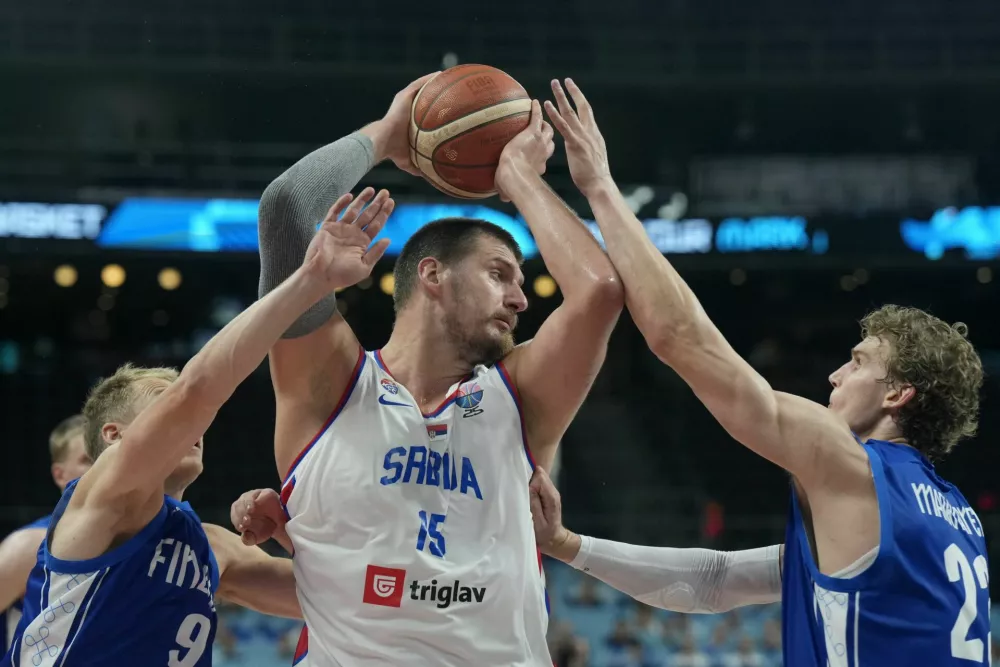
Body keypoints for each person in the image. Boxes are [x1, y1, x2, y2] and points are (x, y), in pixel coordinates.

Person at [542, 78, 988, 664]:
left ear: (898, 394)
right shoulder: (957, 515)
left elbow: (679, 339)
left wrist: (599, 186)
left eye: (857, 363)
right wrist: (569, 546)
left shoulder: (852, 467)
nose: (834, 376)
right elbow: (715, 582)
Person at [255, 73, 623, 665]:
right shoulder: (331, 383)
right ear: (432, 276)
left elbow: (600, 292)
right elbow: (287, 209)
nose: (521, 300)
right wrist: (387, 134)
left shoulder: (521, 395)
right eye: (500, 274)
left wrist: (518, 178)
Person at [4, 191, 390, 667]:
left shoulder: (207, 543)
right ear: (114, 436)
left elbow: (341, 601)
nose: (189, 422)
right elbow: (199, 389)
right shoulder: (99, 500)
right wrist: (309, 281)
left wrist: (293, 535)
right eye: (159, 406)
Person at [0, 415, 92, 651]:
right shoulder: (27, 547)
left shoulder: (143, 542)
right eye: (88, 459)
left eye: (107, 457)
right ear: (60, 475)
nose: (100, 468)